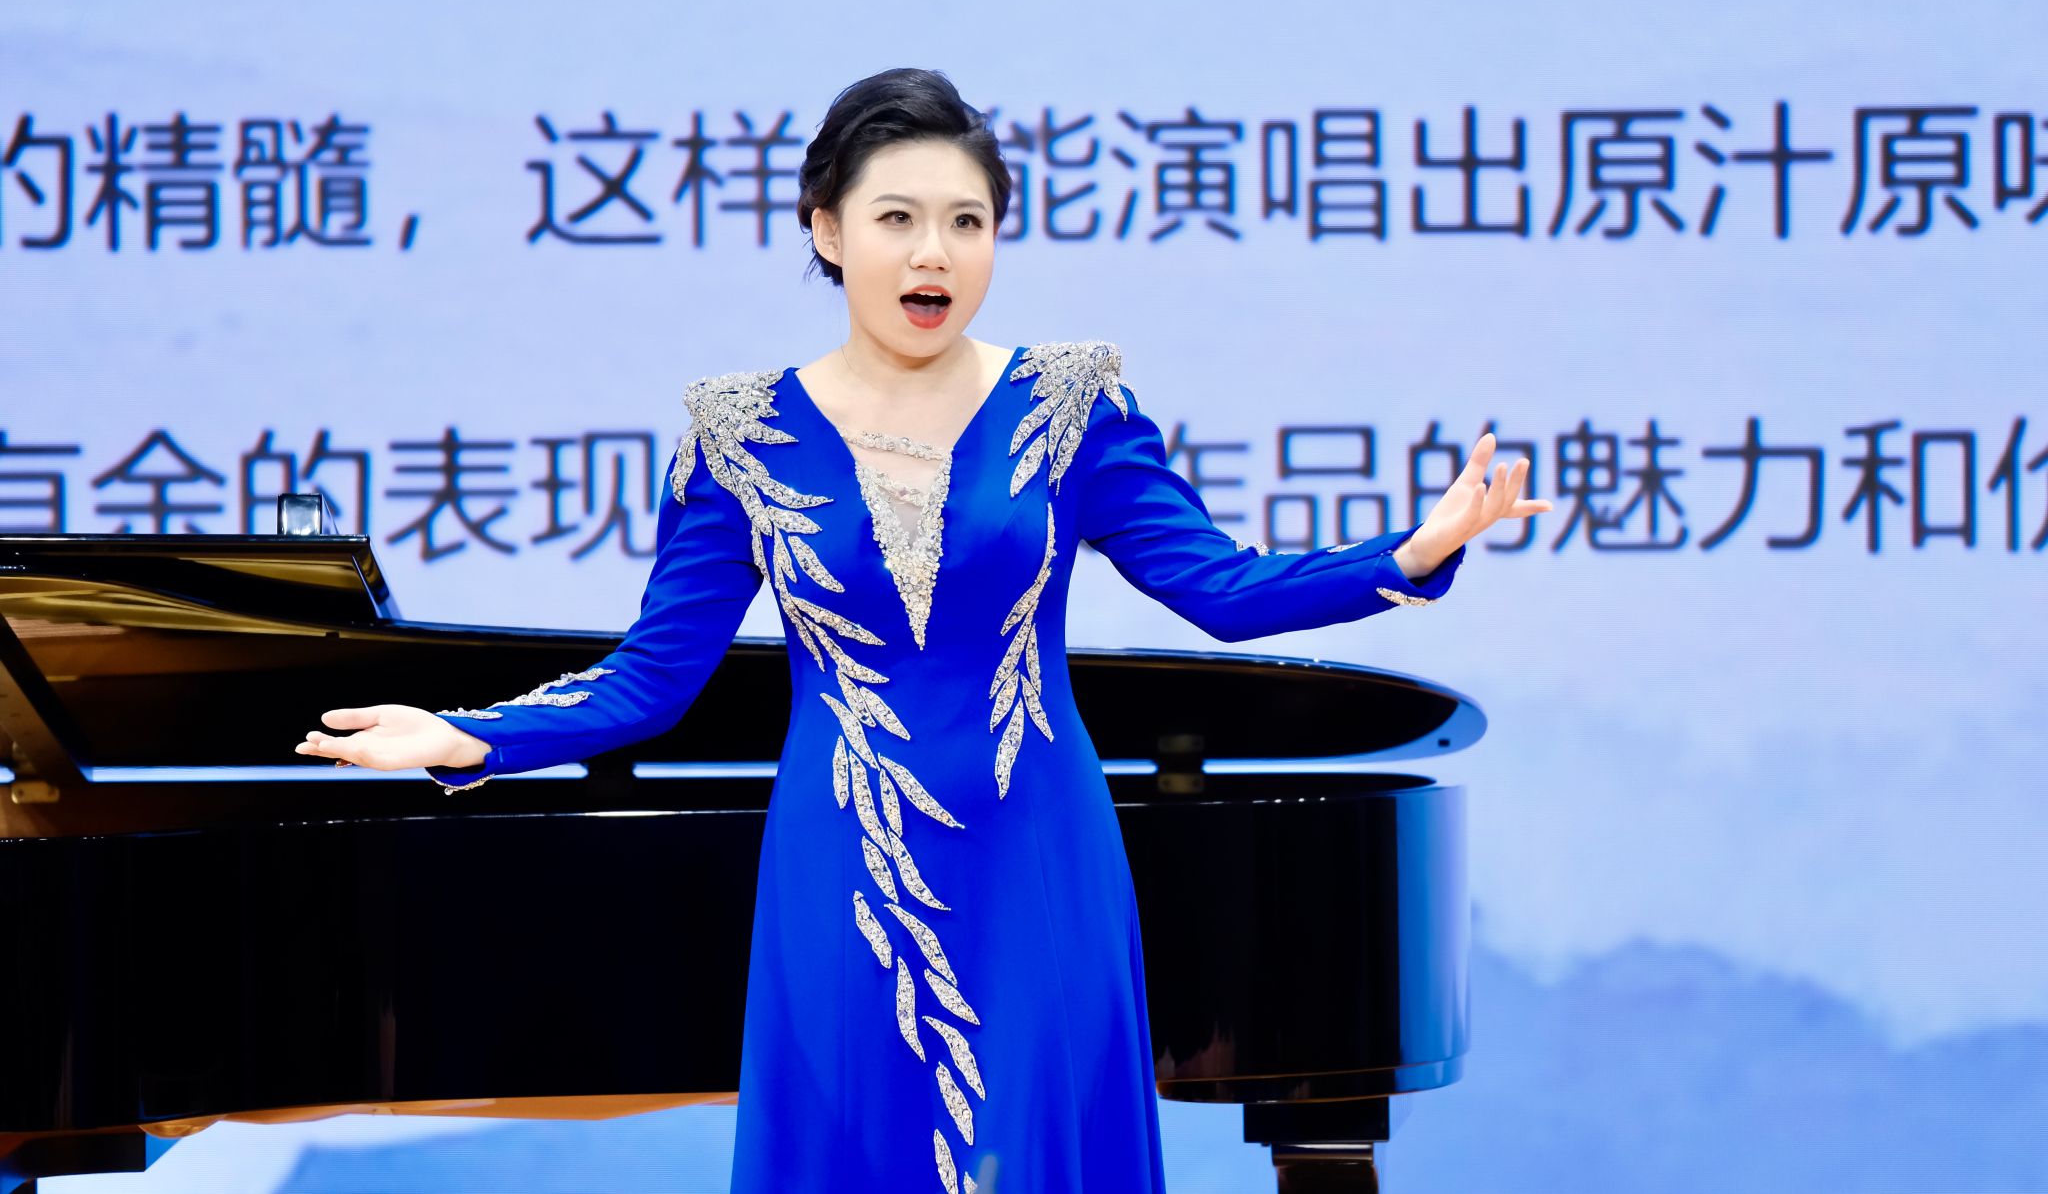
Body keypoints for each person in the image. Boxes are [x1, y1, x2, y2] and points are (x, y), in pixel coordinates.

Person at [296, 67, 1551, 1193]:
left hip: (1038, 851)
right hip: (840, 861)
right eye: (895, 219)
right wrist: (465, 737)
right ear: (825, 230)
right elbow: (652, 681)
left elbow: (1217, 589)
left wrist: (1409, 555)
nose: (931, 253)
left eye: (966, 222)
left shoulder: (1070, 406)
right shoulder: (738, 438)